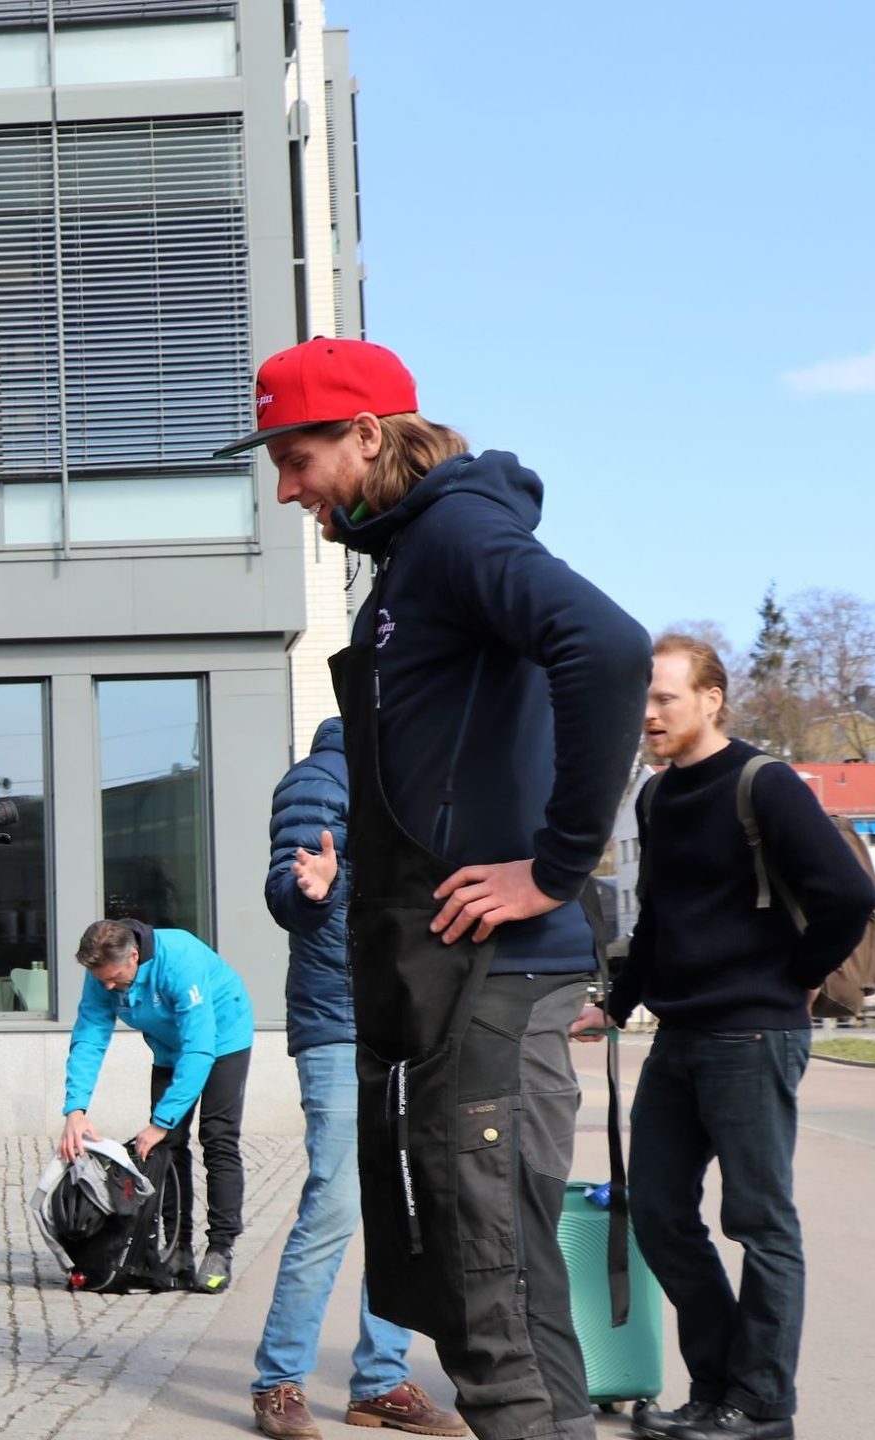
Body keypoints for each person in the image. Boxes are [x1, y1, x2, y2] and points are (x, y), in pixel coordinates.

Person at [223, 337, 649, 1440]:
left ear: (367, 434)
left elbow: (605, 648)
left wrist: (555, 867)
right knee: (501, 1290)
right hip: (447, 976)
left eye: (296, 455)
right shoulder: (414, 554)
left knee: (485, 1303)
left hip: (489, 973)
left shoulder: (457, 531)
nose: (286, 488)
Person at [571, 635, 875, 1440]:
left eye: (664, 698)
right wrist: (619, 1002)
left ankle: (762, 1403)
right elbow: (660, 922)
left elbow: (848, 894)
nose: (648, 714)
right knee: (659, 1212)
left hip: (754, 1035)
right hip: (681, 1035)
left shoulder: (762, 783)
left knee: (759, 1222)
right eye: (643, 700)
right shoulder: (655, 798)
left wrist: (797, 976)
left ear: (711, 699)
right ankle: (716, 1389)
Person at [253, 719, 467, 1439]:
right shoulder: (323, 778)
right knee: (338, 1205)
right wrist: (316, 887)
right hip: (340, 1023)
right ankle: (278, 1381)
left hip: (399, 1021)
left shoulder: (401, 776)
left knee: (397, 1209)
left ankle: (379, 1380)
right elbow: (289, 892)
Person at [59, 917, 254, 1294]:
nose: (109, 988)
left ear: (134, 956)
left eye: (115, 979)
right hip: (168, 1047)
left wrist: (162, 1119)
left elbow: (200, 1048)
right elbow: (89, 1036)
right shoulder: (102, 969)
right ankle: (177, 1248)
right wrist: (75, 1110)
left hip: (222, 1039)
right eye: (102, 981)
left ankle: (220, 1249)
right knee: (166, 1147)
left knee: (217, 1136)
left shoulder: (180, 959)